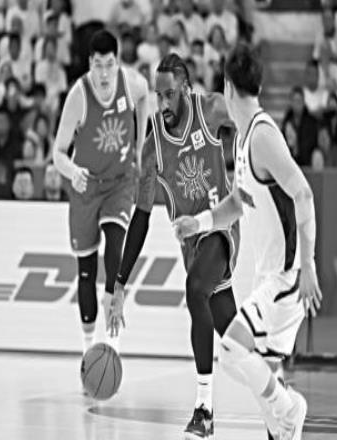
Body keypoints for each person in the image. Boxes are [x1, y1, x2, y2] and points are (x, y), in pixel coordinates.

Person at [174, 44, 322, 440]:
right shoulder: (242, 138)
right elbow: (239, 203)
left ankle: (291, 407)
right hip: (269, 275)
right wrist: (198, 223)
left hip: (285, 277)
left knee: (231, 351)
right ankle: (283, 419)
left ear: (227, 86)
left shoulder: (262, 137)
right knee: (265, 384)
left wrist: (308, 265)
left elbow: (304, 193)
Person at [109, 53, 239, 440]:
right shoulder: (152, 148)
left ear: (185, 89)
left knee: (195, 290)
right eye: (158, 95)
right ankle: (277, 396)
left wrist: (255, 165)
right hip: (192, 246)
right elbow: (141, 218)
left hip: (221, 227)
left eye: (169, 94)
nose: (163, 103)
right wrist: (120, 283)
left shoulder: (211, 109)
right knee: (235, 340)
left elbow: (250, 119)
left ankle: (204, 409)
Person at [52, 29, 149, 354]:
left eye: (109, 65)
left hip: (120, 181)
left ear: (117, 62)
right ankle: (87, 349)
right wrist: (73, 171)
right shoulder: (78, 97)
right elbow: (57, 153)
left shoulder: (130, 82)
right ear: (89, 64)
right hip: (87, 187)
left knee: (115, 247)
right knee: (86, 271)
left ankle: (112, 340)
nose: (104, 73)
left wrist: (140, 147)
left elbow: (145, 97)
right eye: (98, 65)